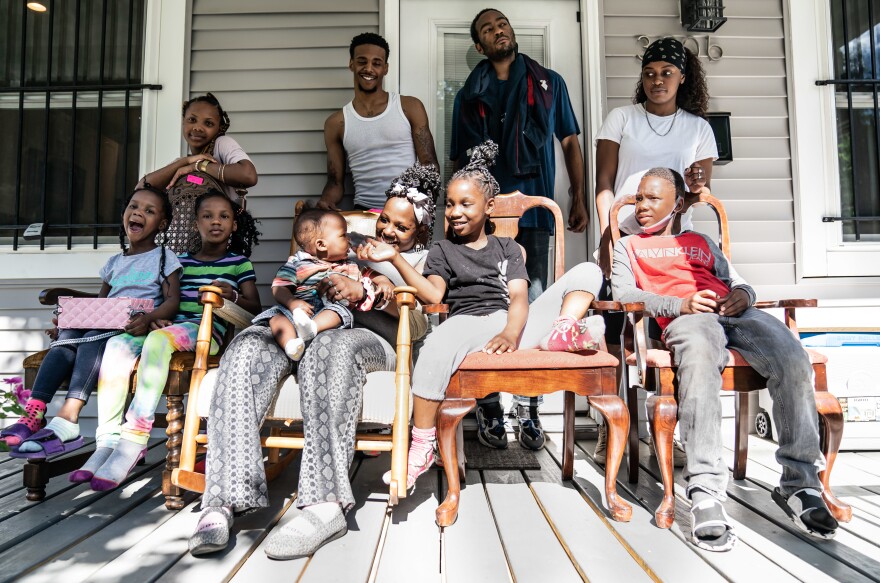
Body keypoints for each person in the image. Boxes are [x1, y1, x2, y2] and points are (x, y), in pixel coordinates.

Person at [187, 163, 440, 559]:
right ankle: (222, 499)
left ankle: (325, 504)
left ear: (420, 232)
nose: (388, 231)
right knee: (247, 347)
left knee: (329, 350)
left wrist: (365, 289)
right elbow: (296, 274)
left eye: (402, 227)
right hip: (300, 321)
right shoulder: (348, 241)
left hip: (367, 337)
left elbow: (421, 322)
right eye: (384, 220)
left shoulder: (424, 260)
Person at [611, 167, 838, 551]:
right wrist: (679, 304)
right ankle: (706, 492)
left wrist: (745, 296)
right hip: (688, 319)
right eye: (638, 199)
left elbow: (738, 281)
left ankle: (800, 485)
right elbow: (623, 294)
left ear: (678, 204)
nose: (643, 206)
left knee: (792, 357)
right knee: (699, 366)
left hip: (736, 313)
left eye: (652, 198)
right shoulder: (628, 246)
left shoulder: (699, 240)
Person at [359, 141, 604, 485]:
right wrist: (394, 258)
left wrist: (509, 332)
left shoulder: (507, 248)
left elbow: (519, 297)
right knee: (436, 344)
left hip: (515, 324)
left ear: (489, 207)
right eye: (451, 205)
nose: (455, 212)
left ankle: (563, 327)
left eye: (466, 204)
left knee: (589, 272)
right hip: (469, 323)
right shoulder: (442, 251)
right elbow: (431, 295)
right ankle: (422, 445)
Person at [450, 8, 589, 446]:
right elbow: (460, 161)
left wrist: (578, 196)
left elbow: (569, 141)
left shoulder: (549, 83)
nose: (499, 30)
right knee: (483, 304)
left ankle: (528, 408)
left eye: (502, 23)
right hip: (483, 221)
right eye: (488, 28)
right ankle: (490, 408)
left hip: (534, 215)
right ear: (479, 46)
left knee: (534, 305)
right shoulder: (468, 95)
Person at [71, 190, 261, 491]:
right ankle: (107, 441)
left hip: (204, 334)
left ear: (233, 226)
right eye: (207, 216)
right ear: (196, 223)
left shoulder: (238, 263)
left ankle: (134, 437)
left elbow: (254, 309)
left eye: (223, 217)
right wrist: (157, 316)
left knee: (158, 341)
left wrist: (230, 293)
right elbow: (165, 297)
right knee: (116, 345)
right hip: (167, 328)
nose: (215, 222)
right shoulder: (179, 261)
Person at [592, 37, 717, 464]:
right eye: (649, 73)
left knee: (674, 328)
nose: (657, 80)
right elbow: (605, 183)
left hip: (675, 248)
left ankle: (674, 424)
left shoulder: (698, 128)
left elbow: (700, 191)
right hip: (627, 240)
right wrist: (610, 237)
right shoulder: (622, 118)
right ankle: (616, 422)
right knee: (617, 330)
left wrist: (698, 180)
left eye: (666, 73)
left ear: (683, 77)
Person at [3, 185, 180, 456]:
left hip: (131, 328)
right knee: (64, 342)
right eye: (133, 206)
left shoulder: (164, 258)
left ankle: (70, 415)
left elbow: (172, 301)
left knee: (88, 339)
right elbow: (99, 305)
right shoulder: (113, 262)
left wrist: (149, 318)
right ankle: (34, 413)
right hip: (104, 323)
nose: (138, 213)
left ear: (162, 224)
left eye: (149, 210)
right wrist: (68, 320)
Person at [317, 32, 439, 212]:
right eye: (361, 61)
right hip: (364, 213)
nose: (369, 68)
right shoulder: (336, 123)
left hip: (406, 211)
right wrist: (326, 201)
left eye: (376, 63)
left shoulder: (409, 107)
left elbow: (429, 166)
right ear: (351, 64)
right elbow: (335, 182)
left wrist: (422, 212)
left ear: (385, 68)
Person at [253, 208, 386, 361]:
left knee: (339, 312)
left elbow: (371, 275)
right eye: (343, 235)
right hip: (298, 311)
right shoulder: (297, 264)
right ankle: (291, 345)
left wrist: (382, 281)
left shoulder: (350, 265)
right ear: (321, 245)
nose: (349, 239)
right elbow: (279, 288)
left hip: (328, 311)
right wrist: (293, 303)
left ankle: (312, 328)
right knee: (276, 318)